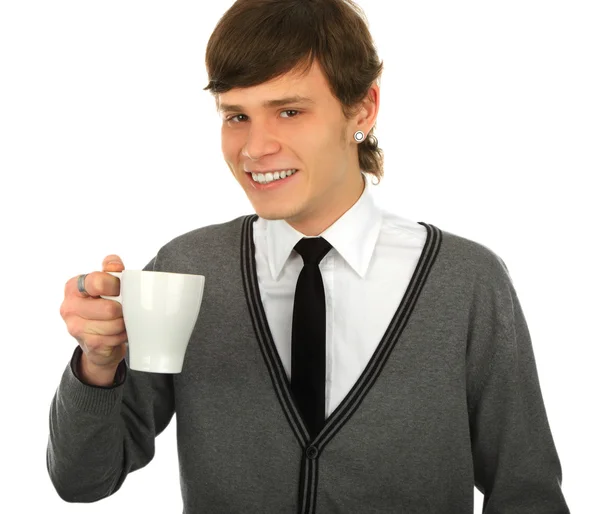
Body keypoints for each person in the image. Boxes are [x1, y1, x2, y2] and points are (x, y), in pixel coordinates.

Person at [47, 0, 571, 512]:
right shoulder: (188, 267)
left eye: (290, 111)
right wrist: (98, 364)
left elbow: (526, 494)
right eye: (236, 116)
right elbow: (83, 480)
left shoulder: (466, 281)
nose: (254, 149)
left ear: (362, 108)